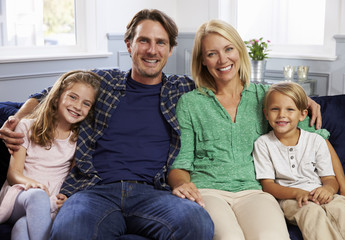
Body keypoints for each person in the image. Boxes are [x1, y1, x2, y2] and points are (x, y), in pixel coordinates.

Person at [0, 9, 214, 239]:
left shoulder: (182, 89)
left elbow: (223, 90)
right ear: (129, 44)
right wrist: (16, 120)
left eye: (160, 42)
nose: (152, 50)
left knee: (198, 223)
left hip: (153, 192)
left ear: (171, 49)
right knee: (69, 230)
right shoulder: (104, 81)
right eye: (144, 40)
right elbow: (49, 94)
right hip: (94, 190)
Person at [168, 19, 345, 240]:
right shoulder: (190, 103)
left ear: (239, 50)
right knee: (230, 237)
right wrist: (182, 184)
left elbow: (320, 140)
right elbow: (181, 162)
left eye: (229, 49)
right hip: (209, 191)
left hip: (255, 192)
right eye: (212, 53)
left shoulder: (265, 96)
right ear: (202, 60)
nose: (223, 59)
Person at [0, 70, 101, 240]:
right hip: (20, 196)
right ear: (56, 98)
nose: (77, 106)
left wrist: (67, 197)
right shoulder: (26, 127)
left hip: (50, 202)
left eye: (86, 103)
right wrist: (35, 185)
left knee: (22, 227)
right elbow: (13, 174)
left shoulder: (79, 140)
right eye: (73, 97)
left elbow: (75, 177)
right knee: (37, 196)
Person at [253, 82, 345, 240]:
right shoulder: (263, 144)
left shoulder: (316, 141)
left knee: (342, 207)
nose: (282, 114)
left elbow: (330, 178)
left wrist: (328, 190)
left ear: (302, 115)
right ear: (266, 114)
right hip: (290, 199)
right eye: (275, 109)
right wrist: (297, 193)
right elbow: (268, 185)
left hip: (318, 192)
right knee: (312, 212)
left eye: (290, 109)